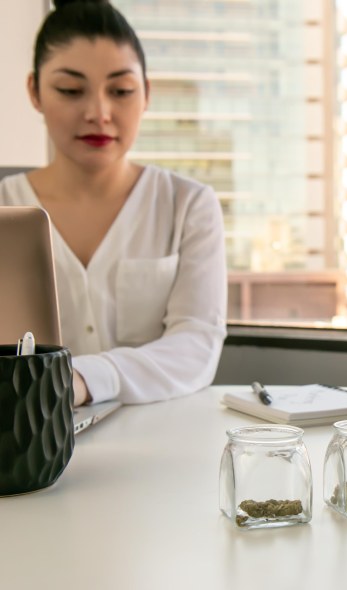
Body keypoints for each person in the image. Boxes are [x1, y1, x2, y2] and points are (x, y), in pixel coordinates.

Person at [0, 0, 227, 406]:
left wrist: (84, 379)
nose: (98, 113)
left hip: (162, 444)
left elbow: (196, 344)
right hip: (26, 451)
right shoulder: (5, 207)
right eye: (70, 90)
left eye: (121, 91)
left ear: (147, 94)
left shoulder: (188, 204)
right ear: (34, 91)